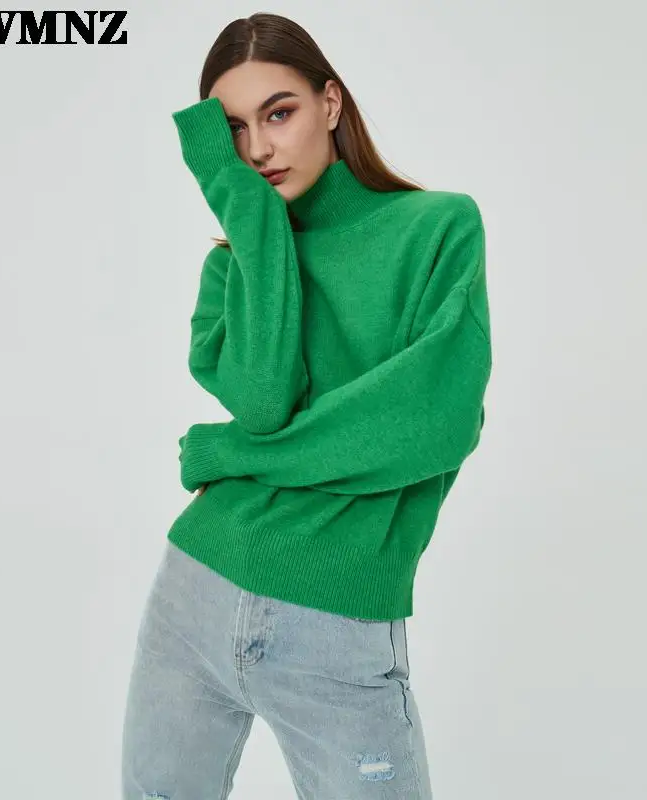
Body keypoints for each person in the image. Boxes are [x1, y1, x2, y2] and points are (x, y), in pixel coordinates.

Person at [121, 12, 492, 800]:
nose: (258, 148)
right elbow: (264, 401)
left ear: (330, 102)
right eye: (234, 131)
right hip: (195, 590)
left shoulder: (436, 228)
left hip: (337, 622)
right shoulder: (231, 274)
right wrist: (254, 222)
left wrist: (229, 454)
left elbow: (433, 421)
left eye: (279, 112)